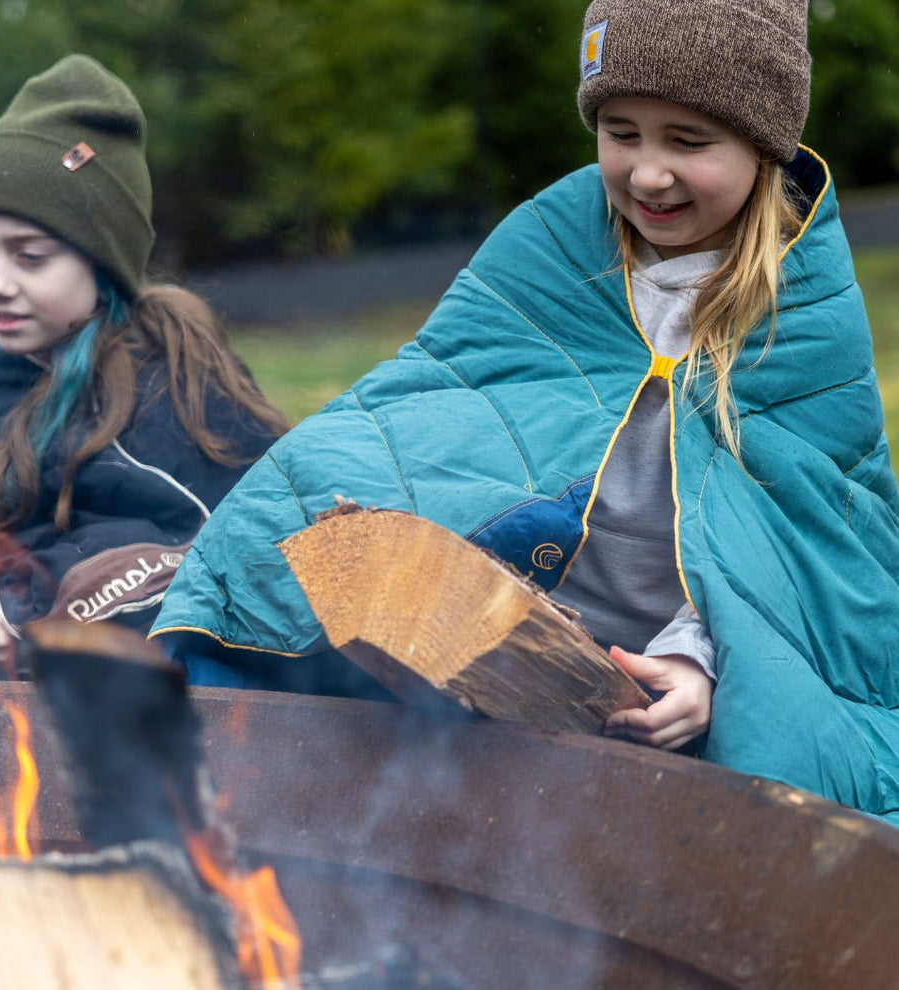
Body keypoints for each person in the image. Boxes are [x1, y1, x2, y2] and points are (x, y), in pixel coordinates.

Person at [151, 0, 899, 824]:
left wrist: (703, 662)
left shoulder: (805, 308)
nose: (648, 173)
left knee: (785, 793)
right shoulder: (553, 241)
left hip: (670, 655)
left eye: (687, 141)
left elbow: (819, 544)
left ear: (763, 144)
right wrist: (363, 517)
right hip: (518, 603)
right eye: (622, 132)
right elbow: (430, 401)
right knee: (297, 584)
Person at [0, 54, 288, 679]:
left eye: (30, 257)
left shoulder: (160, 378)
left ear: (101, 267)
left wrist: (31, 618)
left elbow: (202, 548)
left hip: (129, 659)